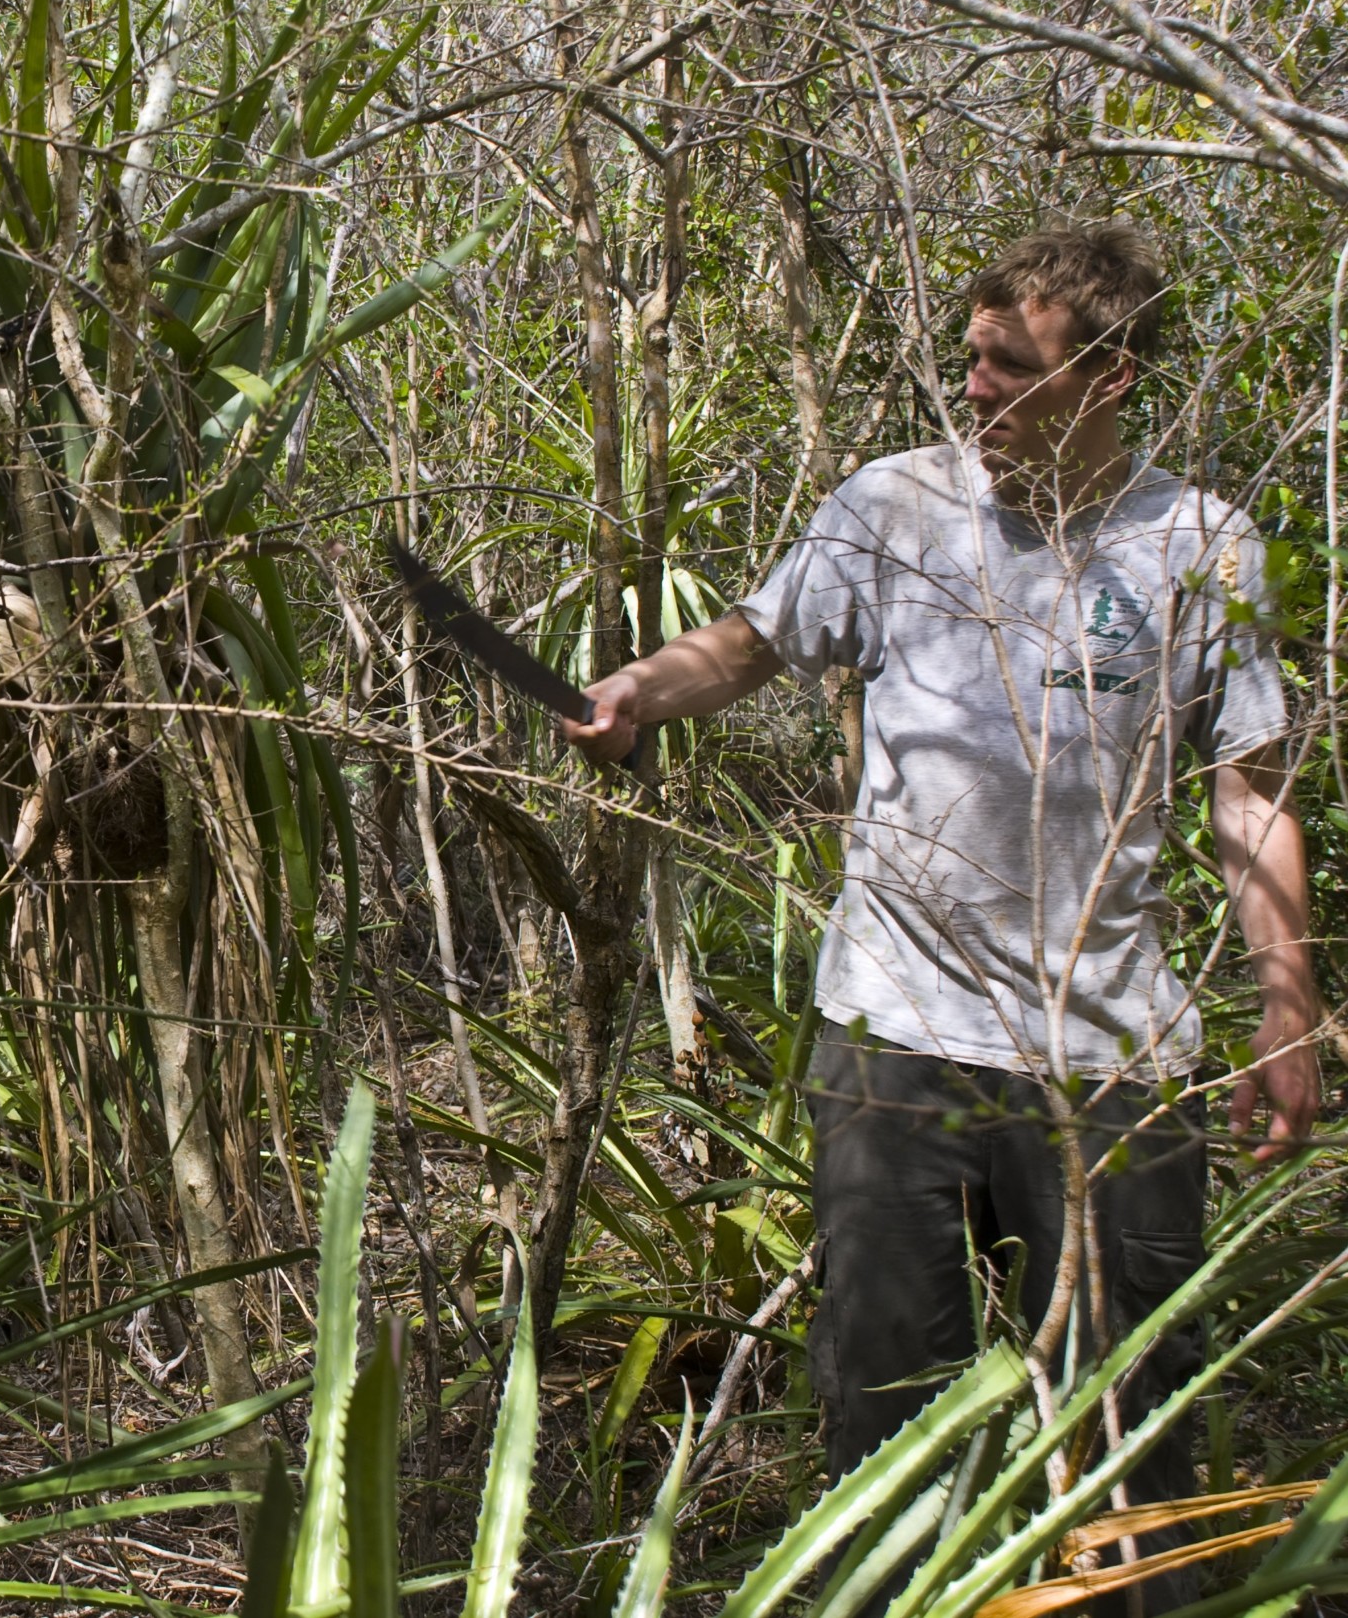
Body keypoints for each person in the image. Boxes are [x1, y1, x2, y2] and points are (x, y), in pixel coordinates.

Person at [562, 224, 1324, 1611]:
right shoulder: (893, 508)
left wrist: (1287, 1003)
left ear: (1108, 378)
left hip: (1107, 1046)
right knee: (886, 1409)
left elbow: (1251, 794)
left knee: (1126, 1427)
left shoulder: (1201, 546)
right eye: (966, 355)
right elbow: (748, 644)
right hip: (894, 1030)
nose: (969, 388)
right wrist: (633, 691)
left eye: (1005, 363)